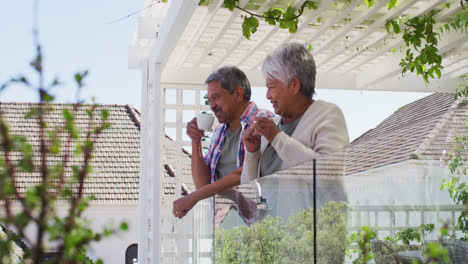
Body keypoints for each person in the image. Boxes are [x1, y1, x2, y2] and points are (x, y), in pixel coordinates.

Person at [172, 66, 273, 219]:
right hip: (227, 224)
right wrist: (196, 141)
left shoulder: (262, 121)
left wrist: (193, 197)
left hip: (261, 220)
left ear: (238, 94)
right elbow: (203, 186)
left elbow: (244, 174)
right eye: (210, 100)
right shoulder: (219, 132)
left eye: (216, 97)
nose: (212, 105)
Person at [241, 42, 350, 183]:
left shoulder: (329, 115)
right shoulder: (273, 125)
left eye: (271, 87)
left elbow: (329, 175)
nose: (267, 96)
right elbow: (247, 188)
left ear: (294, 85)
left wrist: (277, 138)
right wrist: (252, 153)